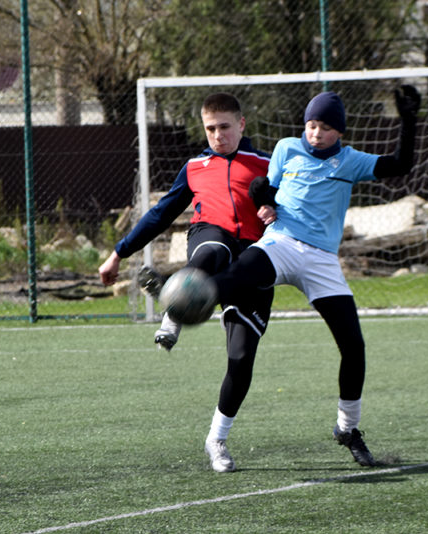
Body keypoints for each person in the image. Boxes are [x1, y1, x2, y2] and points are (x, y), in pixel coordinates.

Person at [182, 85, 421, 468]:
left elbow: (400, 165)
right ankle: (187, 298)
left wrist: (408, 120)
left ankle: (348, 428)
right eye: (311, 125)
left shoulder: (350, 161)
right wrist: (264, 202)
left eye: (325, 127)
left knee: (353, 346)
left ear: (339, 131)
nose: (316, 133)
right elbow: (266, 188)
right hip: (282, 242)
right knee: (239, 273)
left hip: (321, 259)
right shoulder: (286, 149)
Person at [98, 92, 274, 473]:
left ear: (241, 124)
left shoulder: (267, 164)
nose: (218, 135)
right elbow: (161, 214)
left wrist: (274, 209)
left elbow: (289, 208)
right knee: (213, 250)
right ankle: (173, 309)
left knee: (241, 358)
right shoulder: (195, 166)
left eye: (224, 127)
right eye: (210, 129)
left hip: (255, 260)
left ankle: (216, 440)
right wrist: (118, 253)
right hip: (209, 237)